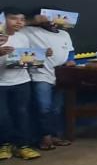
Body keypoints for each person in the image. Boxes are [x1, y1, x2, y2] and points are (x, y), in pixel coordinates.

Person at [25, 10, 75, 150]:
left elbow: (70, 51)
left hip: (60, 74)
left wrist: (70, 60)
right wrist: (33, 20)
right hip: (40, 75)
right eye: (48, 19)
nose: (52, 22)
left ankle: (54, 135)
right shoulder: (30, 31)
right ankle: (44, 137)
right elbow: (6, 27)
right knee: (43, 107)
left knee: (56, 108)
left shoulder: (65, 34)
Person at [0, 8, 39, 160]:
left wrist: (33, 59)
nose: (18, 22)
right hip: (1, 84)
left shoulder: (23, 37)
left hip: (21, 81)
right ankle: (5, 145)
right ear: (3, 20)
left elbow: (25, 59)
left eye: (22, 19)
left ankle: (23, 145)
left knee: (22, 114)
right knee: (3, 116)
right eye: (13, 18)